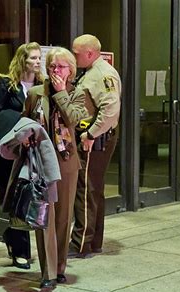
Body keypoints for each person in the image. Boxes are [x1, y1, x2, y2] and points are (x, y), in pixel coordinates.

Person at [22, 47, 88, 289]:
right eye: (51, 66)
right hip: (40, 163)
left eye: (60, 66)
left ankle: (60, 266)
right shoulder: (36, 93)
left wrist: (61, 94)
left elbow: (75, 121)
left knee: (63, 218)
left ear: (71, 70)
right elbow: (24, 122)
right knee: (44, 218)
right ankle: (47, 271)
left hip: (66, 162)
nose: (55, 70)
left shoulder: (78, 93)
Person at [0, 42, 44, 269]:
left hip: (35, 151)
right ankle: (20, 249)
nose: (37, 61)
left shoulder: (43, 85)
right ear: (22, 60)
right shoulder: (7, 85)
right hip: (12, 151)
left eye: (39, 57)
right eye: (33, 58)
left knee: (31, 197)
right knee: (14, 196)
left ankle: (14, 237)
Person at [69, 34, 121, 257]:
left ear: (90, 53)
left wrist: (90, 134)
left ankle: (80, 242)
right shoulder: (92, 72)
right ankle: (93, 241)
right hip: (96, 136)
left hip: (95, 138)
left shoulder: (101, 74)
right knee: (93, 190)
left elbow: (110, 110)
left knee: (86, 189)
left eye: (76, 53)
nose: (74, 56)